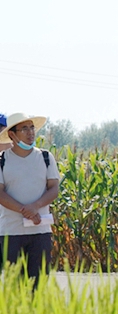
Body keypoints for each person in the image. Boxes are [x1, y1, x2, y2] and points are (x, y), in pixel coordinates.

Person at [0, 113, 61, 288]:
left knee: (39, 284)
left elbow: (54, 188)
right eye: (24, 129)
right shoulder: (2, 160)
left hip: (40, 230)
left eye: (32, 127)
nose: (30, 132)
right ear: (12, 134)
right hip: (11, 232)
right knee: (15, 286)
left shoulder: (45, 157)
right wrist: (25, 210)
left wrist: (35, 207)